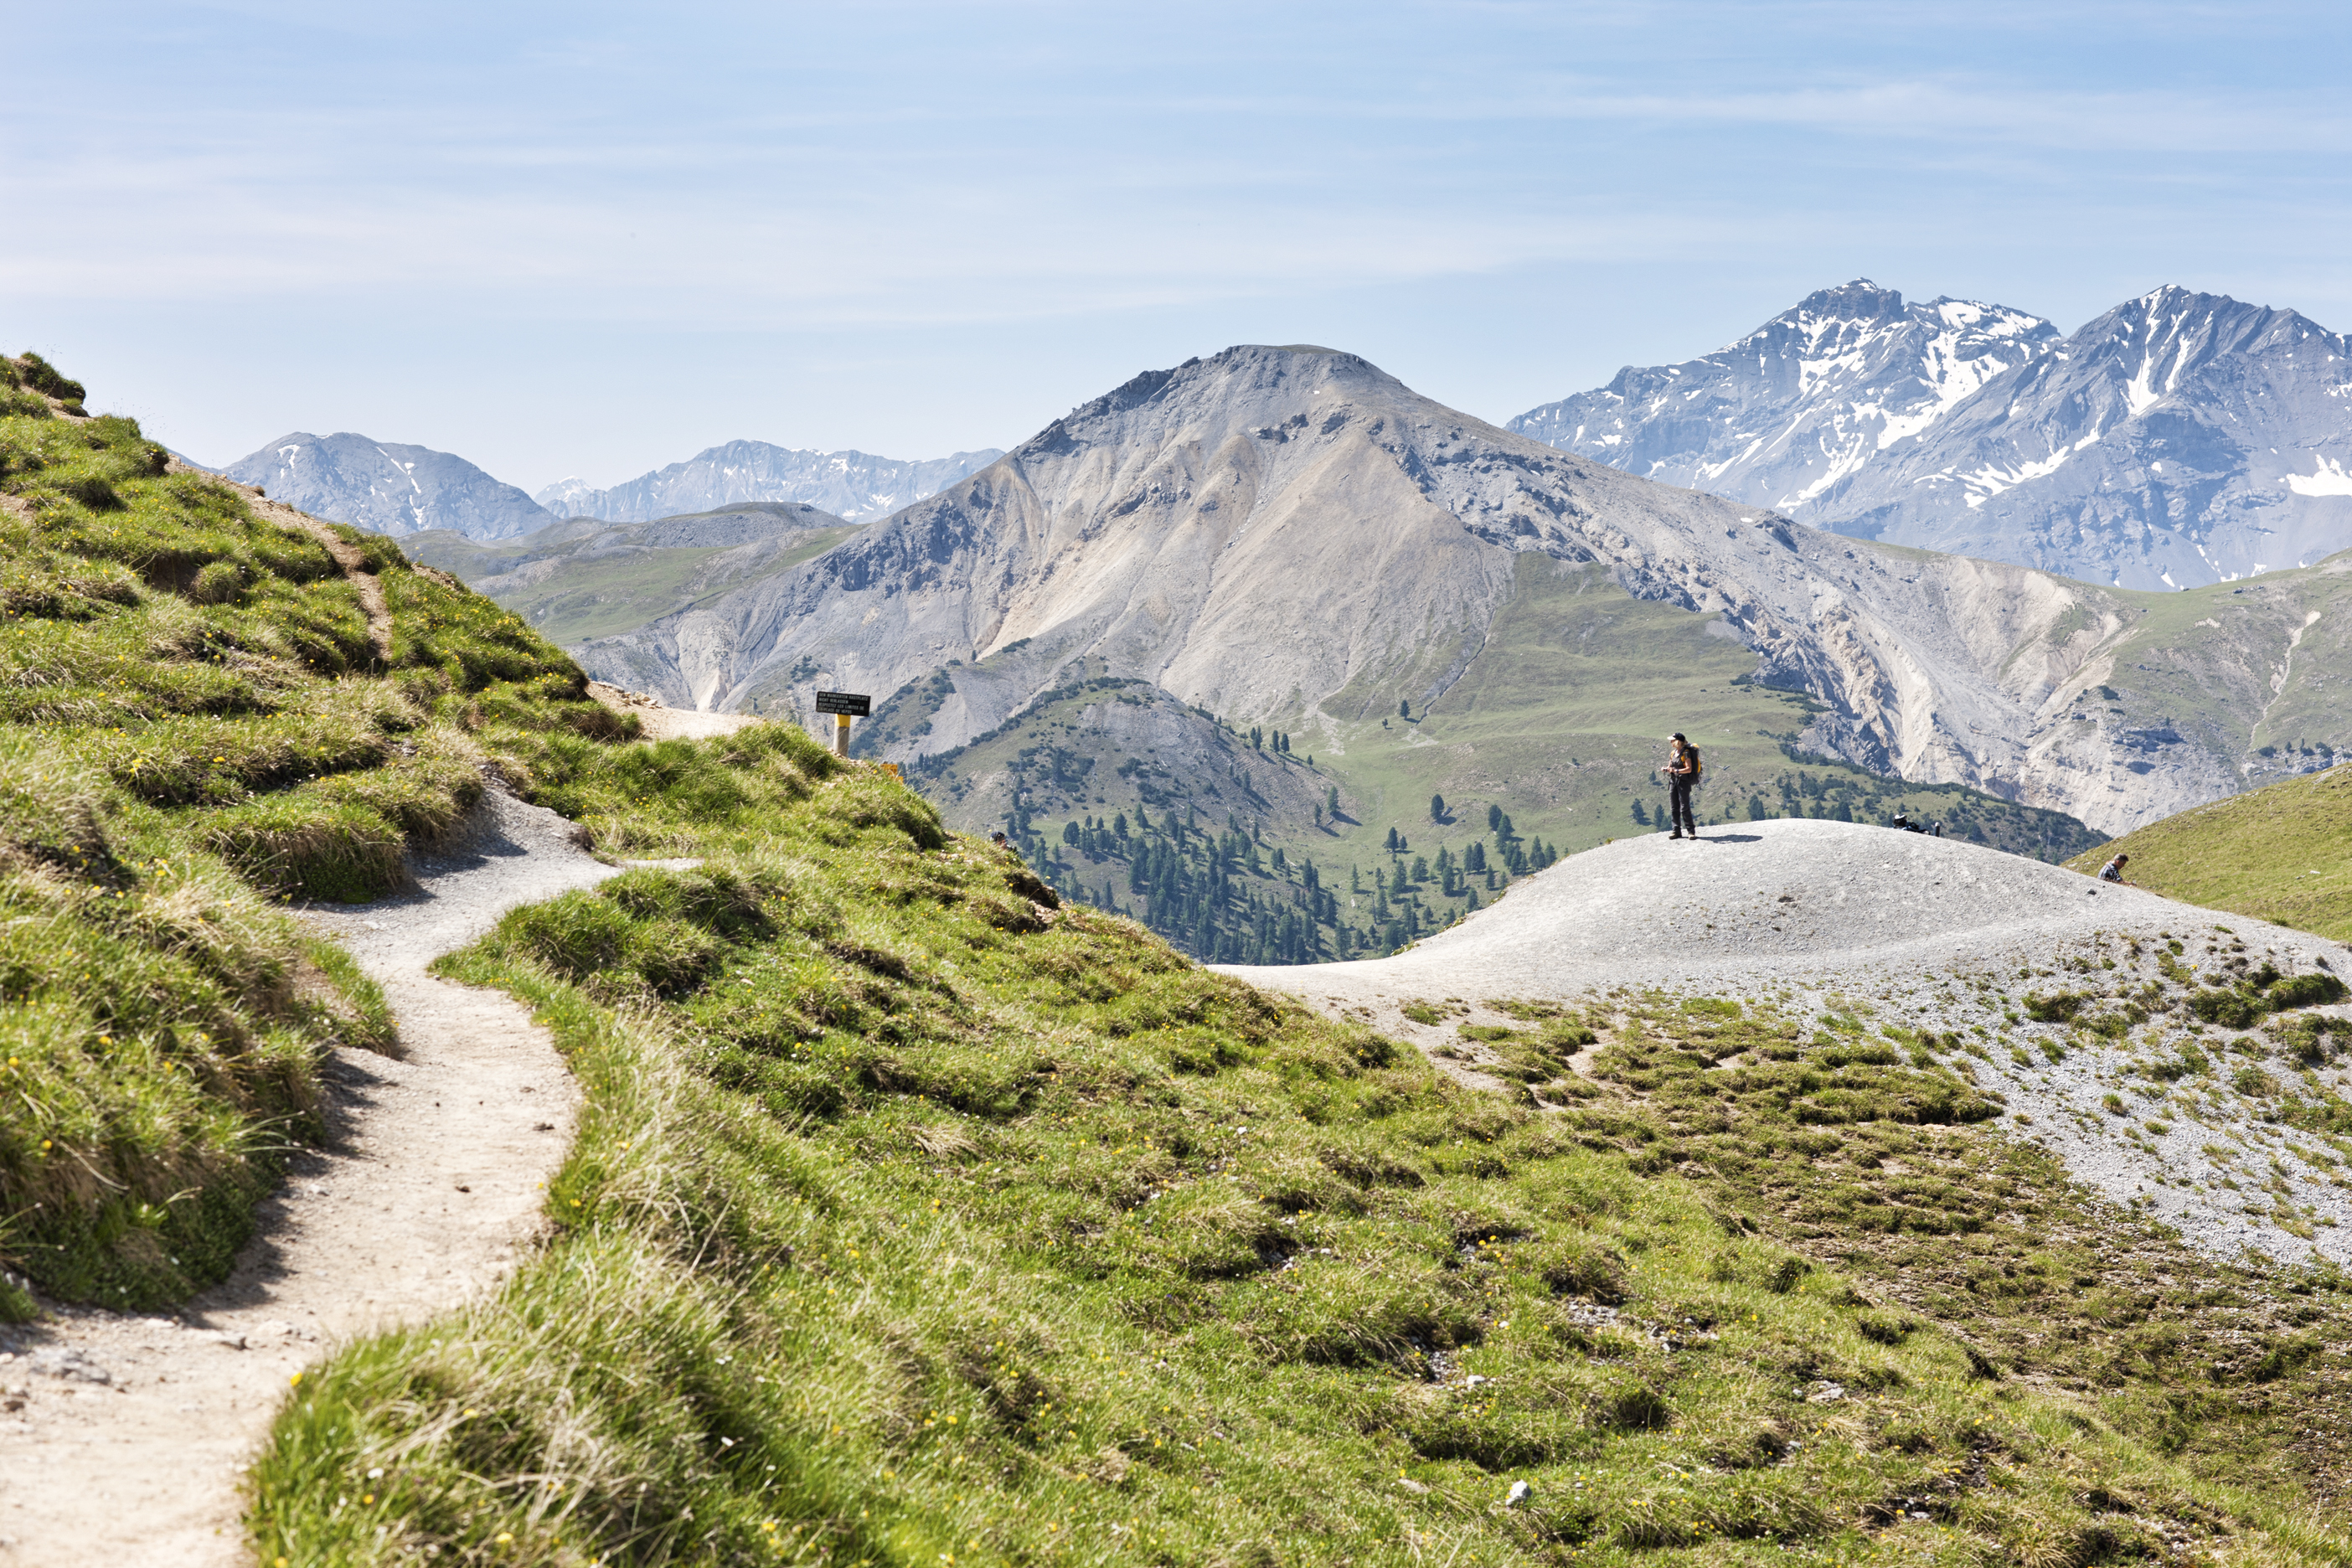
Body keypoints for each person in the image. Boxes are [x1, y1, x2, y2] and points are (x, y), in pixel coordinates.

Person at [1663, 732, 1700, 840]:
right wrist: (1666, 769)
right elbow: (1670, 767)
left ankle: (1691, 831)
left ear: (1678, 741)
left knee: (1684, 807)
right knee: (1674, 807)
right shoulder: (1673, 753)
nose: (1670, 742)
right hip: (1673, 782)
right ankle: (1676, 831)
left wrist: (1676, 770)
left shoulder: (1686, 753)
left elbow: (1689, 769)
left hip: (1684, 782)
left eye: (1672, 740)